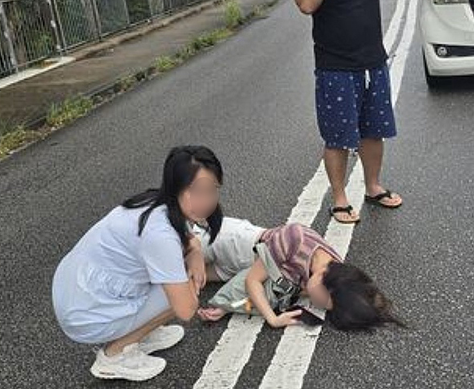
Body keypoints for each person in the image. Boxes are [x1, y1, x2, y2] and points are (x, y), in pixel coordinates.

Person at [293, 0, 422, 224]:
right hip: (335, 67)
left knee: (373, 131)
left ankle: (373, 186)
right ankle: (338, 198)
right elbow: (307, 3)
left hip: (373, 62)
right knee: (337, 136)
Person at [51, 146, 225, 381]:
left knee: (176, 275)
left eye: (212, 190)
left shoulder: (158, 202)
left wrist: (194, 253)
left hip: (77, 287)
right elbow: (185, 310)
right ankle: (115, 354)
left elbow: (188, 240)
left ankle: (140, 333)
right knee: (179, 294)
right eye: (196, 191)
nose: (206, 200)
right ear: (176, 188)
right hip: (85, 310)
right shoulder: (160, 233)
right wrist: (192, 282)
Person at [195, 217, 403, 332]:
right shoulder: (295, 239)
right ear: (327, 280)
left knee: (193, 280)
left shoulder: (329, 269)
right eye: (321, 300)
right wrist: (273, 320)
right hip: (231, 244)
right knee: (173, 264)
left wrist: (228, 306)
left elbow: (261, 286)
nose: (315, 302)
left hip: (245, 267)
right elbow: (252, 281)